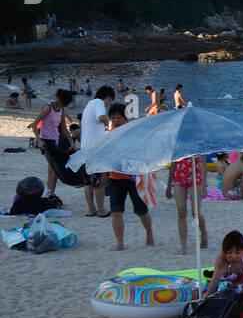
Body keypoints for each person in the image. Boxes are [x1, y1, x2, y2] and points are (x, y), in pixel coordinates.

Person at [106, 103, 155, 250]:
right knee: (116, 211)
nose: (116, 121)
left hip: (134, 178)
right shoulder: (111, 134)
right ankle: (119, 243)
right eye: (113, 118)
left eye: (119, 118)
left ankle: (149, 234)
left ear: (125, 118)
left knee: (141, 211)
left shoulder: (133, 132)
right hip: (115, 178)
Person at [30, 88, 74, 195]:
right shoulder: (48, 108)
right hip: (45, 142)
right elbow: (34, 125)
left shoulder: (62, 110)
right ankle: (49, 193)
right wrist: (39, 140)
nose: (60, 104)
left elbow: (64, 128)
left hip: (55, 141)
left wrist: (72, 143)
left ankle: (50, 193)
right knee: (53, 169)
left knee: (54, 169)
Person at [80, 83, 115, 217]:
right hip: (96, 149)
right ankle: (101, 210)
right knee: (101, 180)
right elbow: (101, 117)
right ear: (107, 97)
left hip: (85, 148)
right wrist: (108, 125)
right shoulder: (99, 102)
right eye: (110, 100)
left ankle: (91, 209)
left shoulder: (89, 105)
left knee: (88, 181)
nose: (109, 103)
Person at [166, 155, 208, 255]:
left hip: (195, 178)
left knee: (195, 212)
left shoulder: (197, 142)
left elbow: (203, 164)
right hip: (179, 178)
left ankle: (204, 233)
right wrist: (168, 185)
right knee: (181, 213)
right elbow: (173, 164)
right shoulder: (177, 142)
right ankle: (183, 247)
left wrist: (204, 185)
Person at [204, 229, 243, 296]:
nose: (233, 256)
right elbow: (211, 290)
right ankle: (213, 273)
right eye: (229, 252)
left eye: (238, 253)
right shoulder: (221, 262)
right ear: (224, 252)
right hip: (228, 280)